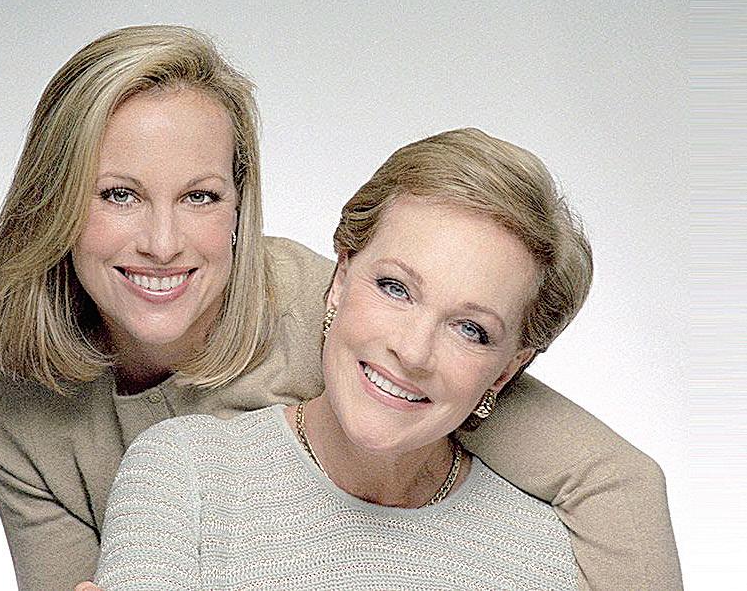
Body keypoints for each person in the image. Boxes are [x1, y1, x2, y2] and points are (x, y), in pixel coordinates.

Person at [0, 26, 681, 590]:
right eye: (118, 194)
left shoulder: (327, 313)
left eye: (201, 196)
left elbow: (612, 481)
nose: (162, 243)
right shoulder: (21, 412)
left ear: (240, 205)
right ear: (55, 200)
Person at [92, 127, 597, 589]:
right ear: (340, 278)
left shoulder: (537, 555)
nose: (413, 352)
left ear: (506, 371)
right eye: (395, 288)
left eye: (471, 329)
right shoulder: (185, 474)